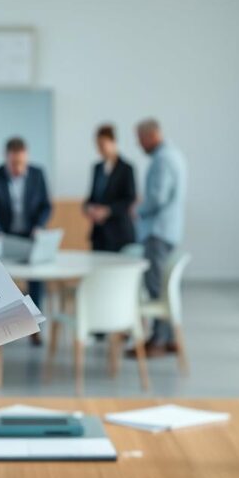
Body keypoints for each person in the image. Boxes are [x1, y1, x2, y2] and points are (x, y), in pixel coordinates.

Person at [0, 137, 52, 345]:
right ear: (6, 158)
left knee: (36, 278)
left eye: (21, 163)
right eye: (13, 163)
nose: (17, 168)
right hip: (3, 235)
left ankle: (34, 326)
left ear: (26, 157)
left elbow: (46, 206)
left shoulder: (38, 175)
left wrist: (39, 226)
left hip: (30, 235)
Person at [130, 118, 188, 358]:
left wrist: (138, 210)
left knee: (156, 289)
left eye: (140, 139)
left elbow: (157, 198)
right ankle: (171, 338)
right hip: (169, 231)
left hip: (157, 232)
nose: (138, 144)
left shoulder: (162, 160)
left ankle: (159, 340)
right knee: (163, 285)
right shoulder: (175, 155)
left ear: (152, 135)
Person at [83, 124, 137, 252]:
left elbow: (129, 198)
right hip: (99, 235)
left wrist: (108, 211)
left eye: (102, 144)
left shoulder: (126, 169)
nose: (99, 149)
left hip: (119, 233)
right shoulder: (97, 168)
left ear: (113, 142)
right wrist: (88, 208)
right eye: (97, 145)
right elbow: (92, 197)